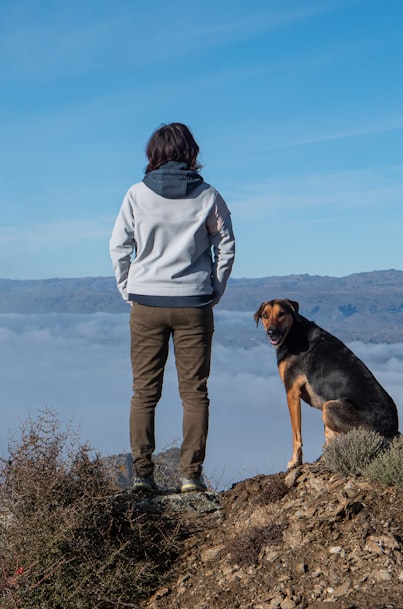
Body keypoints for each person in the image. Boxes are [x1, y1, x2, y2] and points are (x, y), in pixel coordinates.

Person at [109, 122, 236, 493]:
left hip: (146, 302)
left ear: (154, 154)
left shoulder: (135, 194)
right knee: (195, 393)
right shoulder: (210, 195)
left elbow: (118, 247)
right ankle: (190, 477)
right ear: (190, 152)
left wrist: (127, 289)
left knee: (144, 392)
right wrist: (215, 287)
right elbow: (226, 246)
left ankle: (143, 477)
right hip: (194, 303)